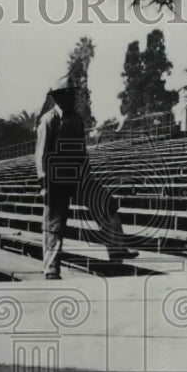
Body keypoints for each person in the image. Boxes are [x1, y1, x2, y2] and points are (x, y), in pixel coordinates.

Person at [35, 85, 137, 279]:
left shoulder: (76, 119)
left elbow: (81, 150)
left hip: (79, 176)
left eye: (72, 94)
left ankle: (117, 249)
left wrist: (87, 175)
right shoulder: (49, 120)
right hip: (56, 179)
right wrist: (44, 184)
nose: (71, 98)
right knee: (54, 224)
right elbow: (41, 154)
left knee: (106, 203)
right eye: (67, 95)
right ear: (57, 98)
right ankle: (51, 269)